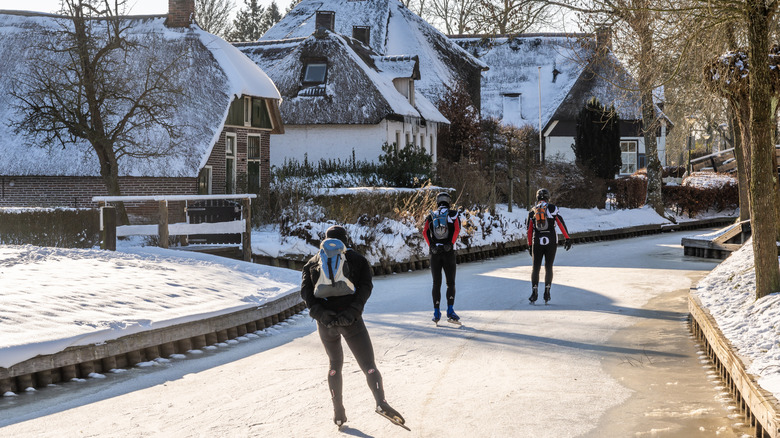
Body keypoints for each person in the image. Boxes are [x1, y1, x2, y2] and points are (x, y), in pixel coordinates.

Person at [300, 225, 406, 429]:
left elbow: (306, 294)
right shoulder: (357, 259)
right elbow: (366, 287)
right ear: (345, 241)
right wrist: (352, 312)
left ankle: (338, 413)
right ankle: (381, 403)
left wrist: (322, 315)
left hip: (326, 324)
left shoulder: (312, 263)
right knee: (369, 365)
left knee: (334, 365)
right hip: (352, 322)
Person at [526, 188, 572, 304]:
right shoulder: (552, 208)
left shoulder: (532, 211)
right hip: (551, 240)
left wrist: (530, 245)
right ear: (548, 197)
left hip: (537, 241)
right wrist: (567, 238)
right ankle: (547, 292)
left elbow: (529, 231)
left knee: (536, 267)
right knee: (548, 266)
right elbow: (561, 223)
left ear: (537, 198)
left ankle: (534, 291)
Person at [422, 192, 462, 323]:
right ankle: (450, 311)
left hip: (435, 253)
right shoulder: (453, 214)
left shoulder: (431, 215)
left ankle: (436, 312)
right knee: (450, 283)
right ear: (449, 202)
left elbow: (425, 232)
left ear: (438, 202)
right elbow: (456, 229)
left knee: (436, 283)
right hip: (448, 252)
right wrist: (450, 243)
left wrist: (432, 245)